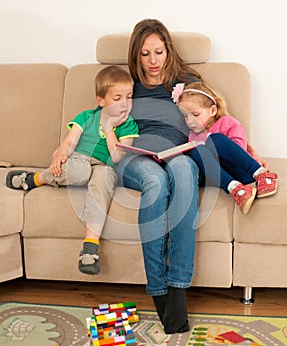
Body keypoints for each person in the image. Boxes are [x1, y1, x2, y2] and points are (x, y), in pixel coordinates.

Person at [6, 65, 139, 275]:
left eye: (129, 97)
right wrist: (60, 152)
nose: (125, 103)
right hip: (80, 160)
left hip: (106, 167)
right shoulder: (86, 116)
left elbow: (116, 157)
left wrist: (109, 129)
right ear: (101, 101)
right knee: (80, 172)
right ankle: (36, 179)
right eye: (117, 98)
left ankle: (90, 247)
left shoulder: (129, 125)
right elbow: (69, 142)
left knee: (102, 182)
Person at [115, 18, 202, 334]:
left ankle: (177, 288)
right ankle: (158, 288)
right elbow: (103, 125)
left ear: (168, 51)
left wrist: (244, 148)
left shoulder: (188, 82)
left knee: (182, 169)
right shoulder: (126, 86)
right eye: (145, 54)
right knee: (155, 180)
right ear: (135, 56)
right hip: (136, 159)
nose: (153, 61)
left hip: (177, 155)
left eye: (158, 52)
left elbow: (215, 119)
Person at [172, 81, 278, 214]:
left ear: (212, 110)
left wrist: (209, 141)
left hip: (241, 170)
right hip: (220, 177)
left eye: (196, 115)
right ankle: (237, 190)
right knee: (197, 151)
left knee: (214, 140)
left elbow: (238, 150)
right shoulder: (193, 135)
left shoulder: (227, 123)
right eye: (186, 116)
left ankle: (261, 174)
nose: (190, 121)